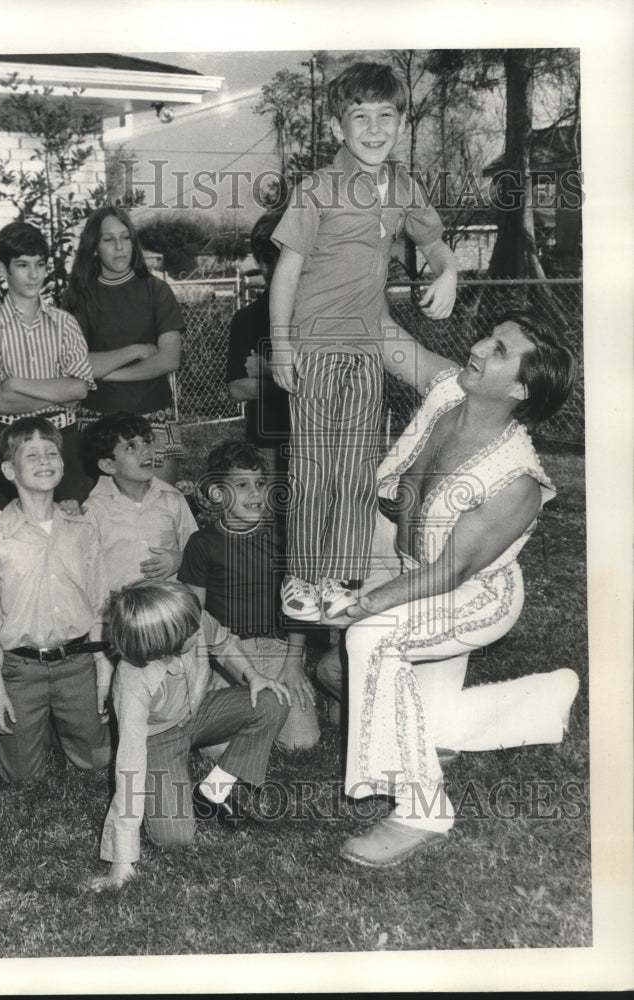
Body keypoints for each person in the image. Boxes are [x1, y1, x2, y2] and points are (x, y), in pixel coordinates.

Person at [321, 307, 580, 868]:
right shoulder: (448, 393)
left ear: (519, 387)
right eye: (490, 335)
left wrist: (367, 603)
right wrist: (352, 268)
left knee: (372, 638)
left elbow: (452, 573)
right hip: (416, 571)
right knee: (423, 720)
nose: (480, 347)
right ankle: (548, 697)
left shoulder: (516, 481)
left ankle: (422, 810)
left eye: (500, 351)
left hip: (476, 596)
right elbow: (390, 338)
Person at [269, 61, 458, 622]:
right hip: (316, 346)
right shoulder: (317, 188)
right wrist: (281, 344)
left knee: (357, 470)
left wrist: (447, 271)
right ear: (337, 128)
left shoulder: (403, 186)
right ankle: (301, 574)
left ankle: (342, 575)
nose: (374, 129)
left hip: (366, 349)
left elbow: (436, 242)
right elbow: (286, 273)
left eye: (386, 115)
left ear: (401, 121)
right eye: (360, 117)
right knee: (316, 467)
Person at [92, 580, 291, 892]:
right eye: (190, 630)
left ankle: (212, 793)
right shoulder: (132, 681)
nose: (199, 628)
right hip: (157, 738)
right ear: (161, 643)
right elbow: (129, 766)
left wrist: (254, 676)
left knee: (271, 699)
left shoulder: (188, 618)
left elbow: (223, 642)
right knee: (176, 839)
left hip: (199, 711)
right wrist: (122, 860)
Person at [0, 417, 112, 784]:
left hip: (76, 663)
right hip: (20, 668)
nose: (45, 461)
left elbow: (99, 604)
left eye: (52, 452)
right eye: (32, 455)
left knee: (96, 762)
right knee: (21, 777)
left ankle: (60, 721)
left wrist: (103, 674)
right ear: (9, 469)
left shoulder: (83, 529)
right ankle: (31, 721)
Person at [178, 440, 319, 751]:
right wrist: (205, 670)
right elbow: (195, 616)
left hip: (277, 648)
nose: (255, 494)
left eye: (260, 483)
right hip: (230, 653)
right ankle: (252, 713)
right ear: (217, 493)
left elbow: (301, 602)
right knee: (214, 749)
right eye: (241, 485)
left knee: (301, 743)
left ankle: (269, 709)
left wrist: (293, 662)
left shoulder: (282, 536)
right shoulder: (202, 543)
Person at [0, 221, 96, 504]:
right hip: (12, 441)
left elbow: (79, 391)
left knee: (72, 518)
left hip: (63, 438)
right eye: (22, 265)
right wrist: (58, 395)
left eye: (39, 265)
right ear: (3, 269)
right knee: (18, 528)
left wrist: (16, 385)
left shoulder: (64, 323)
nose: (33, 275)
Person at [63, 206, 185, 486]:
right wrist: (136, 350)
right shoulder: (80, 297)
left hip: (154, 422)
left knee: (160, 512)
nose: (119, 247)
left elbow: (169, 359)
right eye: (108, 240)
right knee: (105, 521)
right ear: (93, 248)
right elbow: (75, 364)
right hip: (96, 427)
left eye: (125, 237)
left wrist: (105, 372)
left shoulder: (157, 290)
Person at [80, 411, 198, 595]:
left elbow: (198, 552)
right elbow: (86, 571)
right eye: (131, 447)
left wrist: (180, 559)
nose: (145, 451)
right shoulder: (94, 510)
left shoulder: (172, 499)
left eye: (147, 441)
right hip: (123, 611)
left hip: (171, 606)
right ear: (108, 466)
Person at [226, 212, 291, 473]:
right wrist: (292, 381)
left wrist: (268, 370)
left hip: (318, 442)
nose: (274, 270)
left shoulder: (317, 313)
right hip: (267, 443)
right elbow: (238, 389)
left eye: (281, 259)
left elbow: (329, 380)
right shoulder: (247, 318)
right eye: (266, 260)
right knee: (270, 511)